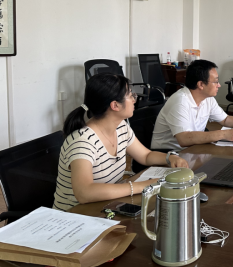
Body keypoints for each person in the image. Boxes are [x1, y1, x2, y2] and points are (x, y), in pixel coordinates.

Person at [53, 74, 189, 212]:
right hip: (75, 215)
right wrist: (144, 186)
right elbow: (84, 193)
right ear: (115, 105)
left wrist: (170, 157)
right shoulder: (82, 141)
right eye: (130, 95)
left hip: (106, 207)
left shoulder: (121, 127)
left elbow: (145, 156)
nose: (134, 99)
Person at [151, 60, 233, 150]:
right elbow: (184, 138)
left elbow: (225, 119)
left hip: (192, 149)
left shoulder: (208, 99)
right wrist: (224, 134)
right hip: (169, 154)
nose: (219, 85)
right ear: (201, 84)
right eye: (216, 82)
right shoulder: (179, 102)